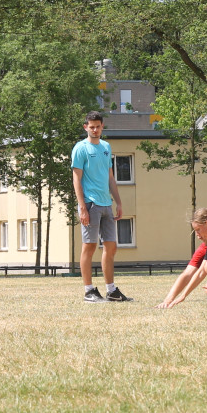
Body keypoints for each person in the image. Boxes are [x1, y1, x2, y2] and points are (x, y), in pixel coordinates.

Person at [70, 111, 130, 303]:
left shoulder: (106, 147)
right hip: (90, 203)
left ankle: (111, 291)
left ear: (102, 126)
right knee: (89, 246)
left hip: (106, 204)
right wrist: (82, 207)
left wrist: (119, 202)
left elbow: (110, 177)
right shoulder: (80, 148)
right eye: (91, 126)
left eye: (98, 126)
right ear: (85, 127)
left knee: (111, 247)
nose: (95, 129)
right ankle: (89, 291)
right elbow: (76, 179)